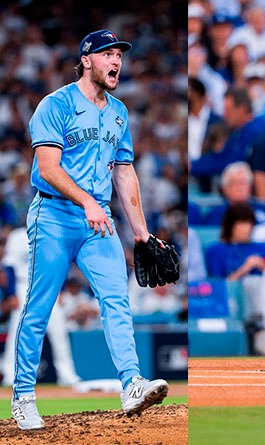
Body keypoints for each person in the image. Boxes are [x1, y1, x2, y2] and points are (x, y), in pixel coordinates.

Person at [11, 30, 168, 430]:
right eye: (107, 54)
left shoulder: (119, 112)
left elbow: (124, 171)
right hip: (56, 215)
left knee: (116, 298)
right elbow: (47, 168)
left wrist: (141, 233)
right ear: (86, 60)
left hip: (96, 220)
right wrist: (87, 202)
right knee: (40, 306)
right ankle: (23, 394)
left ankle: (131, 383)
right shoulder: (56, 104)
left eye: (119, 54)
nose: (116, 61)